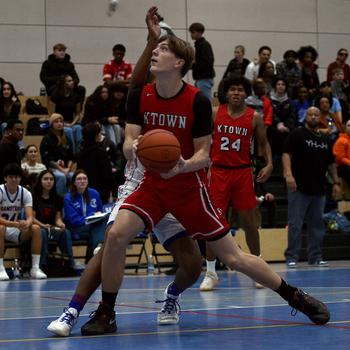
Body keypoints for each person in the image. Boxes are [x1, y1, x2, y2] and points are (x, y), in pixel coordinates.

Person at [57, 7, 329, 335]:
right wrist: (135, 147)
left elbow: (205, 153)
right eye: (155, 48)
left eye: (162, 49)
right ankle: (106, 313)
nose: (155, 52)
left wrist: (185, 165)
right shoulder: (139, 96)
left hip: (187, 186)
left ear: (179, 64)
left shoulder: (197, 101)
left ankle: (296, 297)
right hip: (151, 185)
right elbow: (129, 143)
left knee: (234, 257)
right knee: (115, 236)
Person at [199, 76, 273, 291]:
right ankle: (211, 273)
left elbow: (263, 143)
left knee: (250, 223)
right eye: (232, 89)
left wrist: (269, 165)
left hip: (242, 174)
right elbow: (200, 139)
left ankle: (259, 268)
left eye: (240, 90)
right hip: (219, 173)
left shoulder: (254, 117)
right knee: (214, 225)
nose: (236, 93)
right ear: (226, 92)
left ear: (246, 93)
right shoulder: (214, 113)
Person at [282, 106, 341, 268]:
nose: (314, 117)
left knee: (317, 225)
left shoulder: (324, 139)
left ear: (319, 118)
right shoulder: (297, 134)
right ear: (305, 117)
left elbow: (331, 163)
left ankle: (315, 257)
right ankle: (291, 257)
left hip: (319, 188)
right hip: (299, 187)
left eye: (316, 115)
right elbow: (286, 154)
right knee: (295, 223)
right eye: (310, 114)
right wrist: (288, 175)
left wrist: (335, 182)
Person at [0, 163, 47, 280]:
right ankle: (1, 268)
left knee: (36, 229)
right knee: (0, 228)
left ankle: (35, 268)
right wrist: (13, 224)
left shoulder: (25, 192)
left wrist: (27, 223)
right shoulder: (0, 191)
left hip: (15, 229)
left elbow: (30, 216)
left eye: (16, 177)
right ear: (5, 178)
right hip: (3, 228)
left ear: (20, 178)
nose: (14, 180)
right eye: (11, 177)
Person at [32, 169, 84, 270]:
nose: (49, 181)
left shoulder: (58, 198)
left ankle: (70, 262)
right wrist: (43, 225)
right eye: (45, 179)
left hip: (52, 228)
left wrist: (60, 224)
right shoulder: (34, 197)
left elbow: (57, 218)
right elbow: (32, 218)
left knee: (65, 232)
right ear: (40, 181)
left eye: (51, 179)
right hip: (38, 228)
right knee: (42, 232)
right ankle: (42, 264)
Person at [63, 170, 106, 263]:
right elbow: (74, 220)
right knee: (98, 230)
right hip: (75, 229)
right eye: (79, 179)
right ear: (74, 182)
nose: (82, 181)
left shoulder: (94, 193)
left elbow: (100, 212)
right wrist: (91, 216)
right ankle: (95, 255)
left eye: (84, 178)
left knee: (103, 222)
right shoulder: (68, 197)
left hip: (91, 228)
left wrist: (98, 216)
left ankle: (93, 258)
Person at [76, 122, 116, 204]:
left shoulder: (80, 152)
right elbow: (108, 174)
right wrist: (115, 192)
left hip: (84, 191)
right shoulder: (100, 152)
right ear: (96, 136)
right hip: (100, 193)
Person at [40, 113, 75, 196]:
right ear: (51, 124)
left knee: (74, 176)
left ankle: (73, 199)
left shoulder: (67, 138)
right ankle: (60, 200)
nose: (59, 124)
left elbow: (71, 157)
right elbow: (48, 159)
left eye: (61, 121)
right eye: (56, 122)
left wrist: (68, 169)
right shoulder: (47, 138)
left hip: (65, 169)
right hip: (52, 168)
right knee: (61, 177)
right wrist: (62, 170)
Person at [49, 75, 83, 152]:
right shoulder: (55, 96)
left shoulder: (76, 96)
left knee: (79, 128)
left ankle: (79, 153)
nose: (72, 82)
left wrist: (72, 123)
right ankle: (72, 155)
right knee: (69, 131)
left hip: (71, 123)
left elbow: (78, 114)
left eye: (72, 80)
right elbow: (52, 114)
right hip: (58, 123)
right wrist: (62, 123)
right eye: (69, 81)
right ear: (64, 84)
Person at [189, 22, 215, 101]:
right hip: (201, 78)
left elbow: (208, 63)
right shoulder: (199, 45)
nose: (191, 34)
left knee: (205, 102)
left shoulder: (204, 45)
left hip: (204, 78)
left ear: (200, 32)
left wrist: (193, 65)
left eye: (193, 32)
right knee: (201, 101)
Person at [333, 119, 350, 186]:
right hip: (341, 167)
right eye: (349, 126)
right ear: (345, 129)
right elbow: (340, 158)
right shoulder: (341, 140)